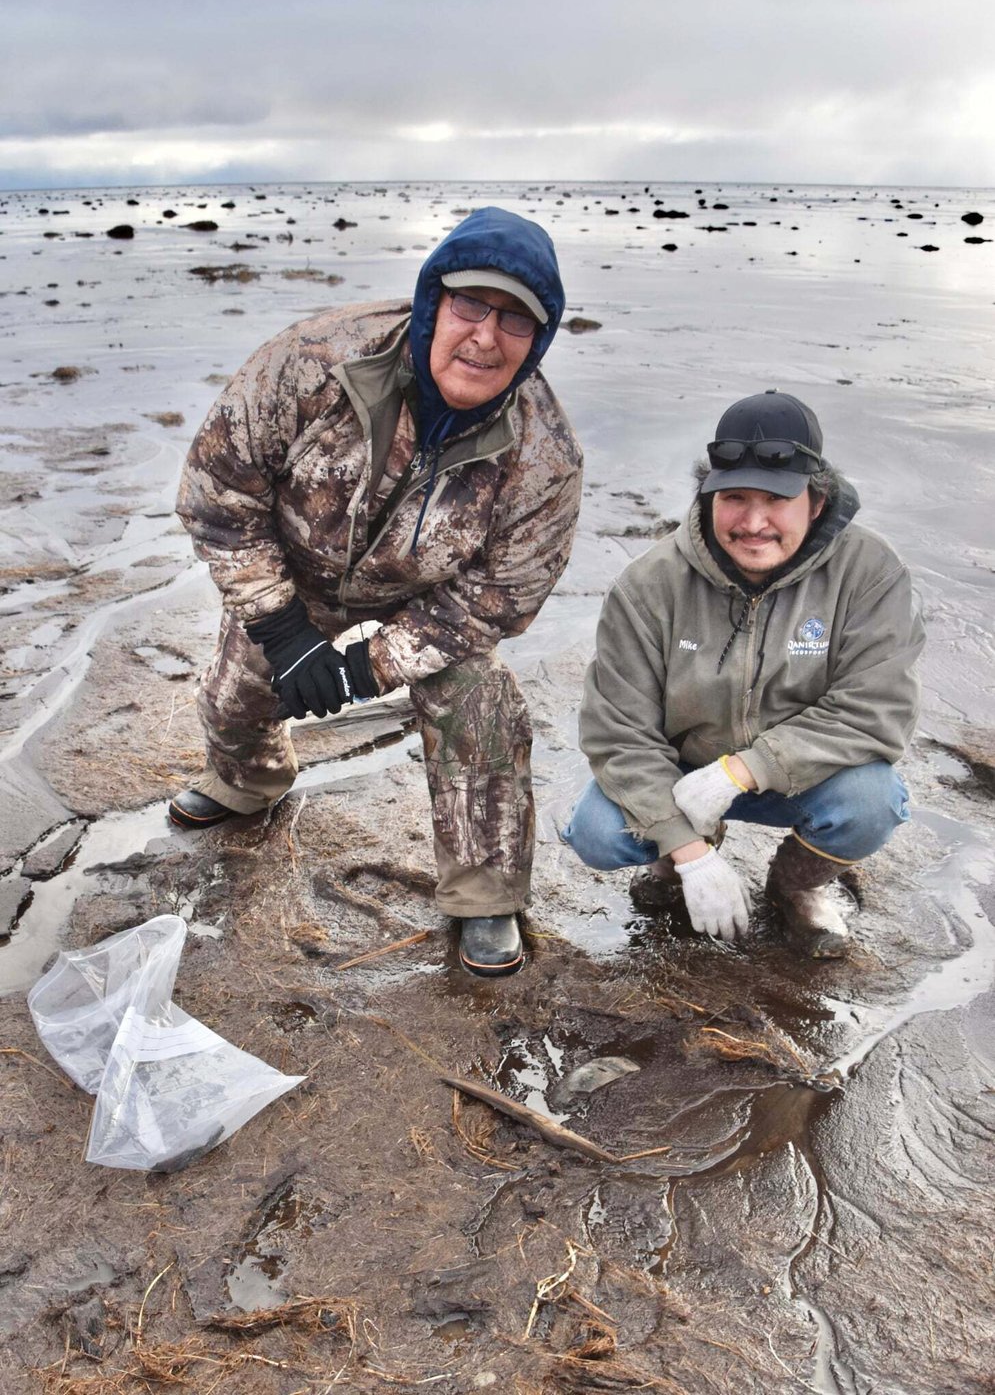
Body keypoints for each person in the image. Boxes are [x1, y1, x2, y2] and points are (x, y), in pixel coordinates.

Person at [169, 206, 583, 978]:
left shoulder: (545, 457)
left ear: (540, 338)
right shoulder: (312, 360)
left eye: (515, 321)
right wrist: (286, 633)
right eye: (469, 306)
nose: (485, 336)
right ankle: (248, 782)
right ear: (434, 303)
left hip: (430, 598)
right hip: (296, 570)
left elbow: (499, 597)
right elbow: (216, 494)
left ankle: (484, 889)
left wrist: (367, 669)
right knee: (237, 696)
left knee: (481, 698)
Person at [563, 389, 924, 957]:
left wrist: (743, 771)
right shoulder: (649, 584)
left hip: (799, 776)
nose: (754, 522)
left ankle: (796, 888)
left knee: (871, 802)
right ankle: (675, 862)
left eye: (777, 499)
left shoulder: (872, 574)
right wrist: (689, 851)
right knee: (597, 831)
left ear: (818, 500)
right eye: (734, 497)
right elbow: (618, 731)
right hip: (682, 775)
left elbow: (875, 710)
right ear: (707, 496)